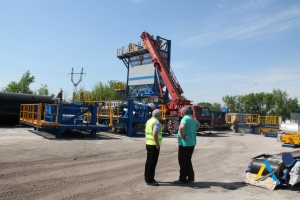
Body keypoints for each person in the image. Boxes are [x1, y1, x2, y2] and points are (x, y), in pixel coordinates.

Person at [175, 107, 200, 183]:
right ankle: (190, 177)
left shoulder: (184, 119)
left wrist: (182, 135)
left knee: (183, 161)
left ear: (183, 113)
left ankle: (182, 178)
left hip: (185, 144)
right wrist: (194, 130)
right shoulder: (192, 119)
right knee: (188, 160)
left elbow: (182, 127)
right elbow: (198, 124)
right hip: (192, 143)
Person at [144, 109, 162, 186]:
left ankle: (147, 177)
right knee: (152, 163)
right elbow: (155, 134)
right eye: (161, 114)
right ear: (158, 115)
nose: (161, 115)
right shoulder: (156, 122)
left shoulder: (149, 121)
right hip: (153, 145)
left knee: (148, 162)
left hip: (148, 143)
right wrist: (157, 144)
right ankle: (150, 180)